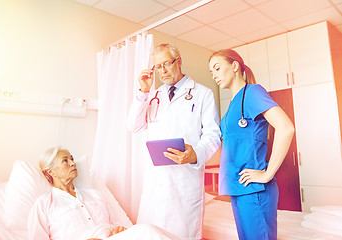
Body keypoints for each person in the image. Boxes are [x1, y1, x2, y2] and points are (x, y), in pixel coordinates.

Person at [127, 43, 221, 239]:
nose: (162, 71)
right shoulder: (153, 97)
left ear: (179, 62)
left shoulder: (202, 94)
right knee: (152, 234)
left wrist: (195, 154)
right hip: (157, 183)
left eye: (166, 64)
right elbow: (133, 126)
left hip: (184, 182)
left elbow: (213, 136)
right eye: (158, 66)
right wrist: (143, 92)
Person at [208, 49, 295, 240]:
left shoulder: (253, 92)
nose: (214, 75)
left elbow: (286, 128)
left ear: (235, 66)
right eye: (211, 72)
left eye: (217, 68)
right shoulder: (232, 104)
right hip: (238, 187)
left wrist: (267, 174)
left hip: (255, 188)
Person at [27, 146, 179, 240]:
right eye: (65, 161)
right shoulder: (44, 204)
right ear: (50, 171)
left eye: (72, 159)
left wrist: (119, 229)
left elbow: (116, 223)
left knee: (149, 231)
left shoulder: (94, 195)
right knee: (148, 231)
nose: (73, 163)